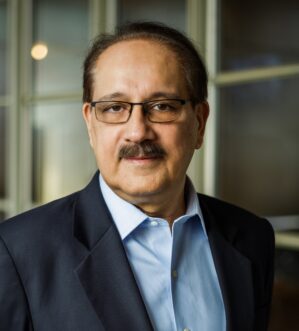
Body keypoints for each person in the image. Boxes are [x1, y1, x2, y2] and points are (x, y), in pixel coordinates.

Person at [0, 22, 274, 331]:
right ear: (91, 124)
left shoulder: (253, 238)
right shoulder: (16, 252)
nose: (138, 132)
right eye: (115, 108)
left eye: (161, 106)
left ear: (199, 122)